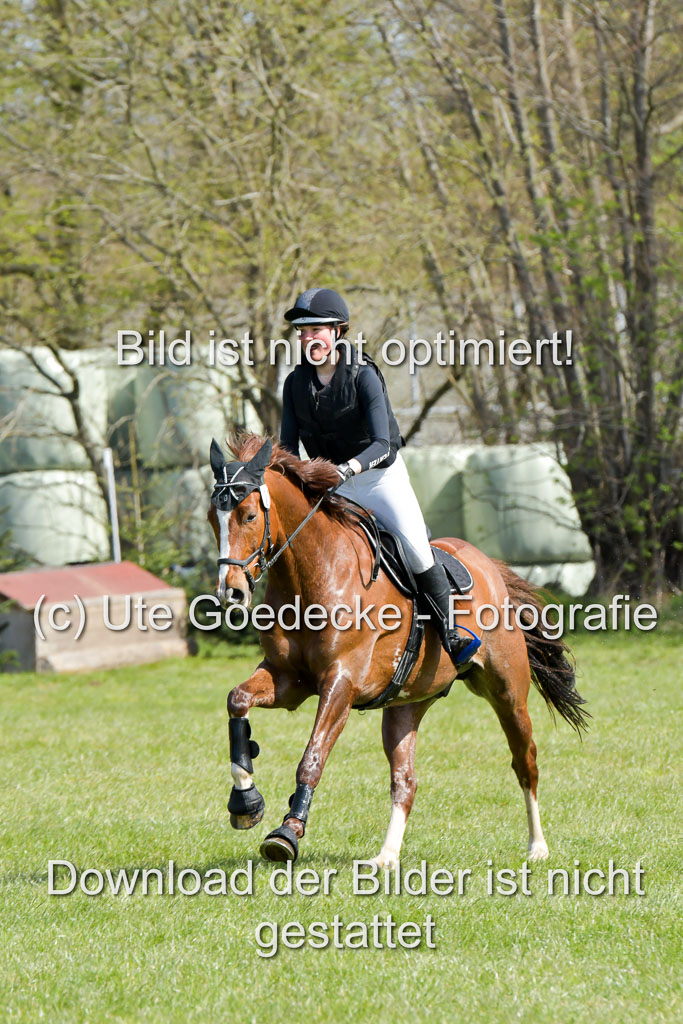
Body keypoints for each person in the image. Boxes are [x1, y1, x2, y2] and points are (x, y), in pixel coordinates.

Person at [278, 286, 479, 666]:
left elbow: (383, 444)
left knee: (418, 551)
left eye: (315, 329)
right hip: (332, 487)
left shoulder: (364, 375)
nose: (307, 338)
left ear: (338, 331)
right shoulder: (294, 385)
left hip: (378, 481)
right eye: (302, 331)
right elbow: (288, 448)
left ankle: (451, 634)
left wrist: (347, 469)